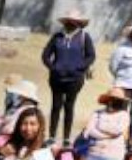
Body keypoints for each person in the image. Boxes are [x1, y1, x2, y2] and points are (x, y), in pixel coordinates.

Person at [41, 10, 96, 142]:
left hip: (75, 79)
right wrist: (53, 67)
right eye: (68, 20)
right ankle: (52, 136)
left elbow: (91, 55)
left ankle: (66, 137)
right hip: (56, 78)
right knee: (55, 106)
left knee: (69, 106)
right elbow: (45, 55)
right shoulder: (57, 37)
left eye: (73, 21)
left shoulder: (84, 37)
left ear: (78, 23)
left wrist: (79, 68)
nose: (70, 23)